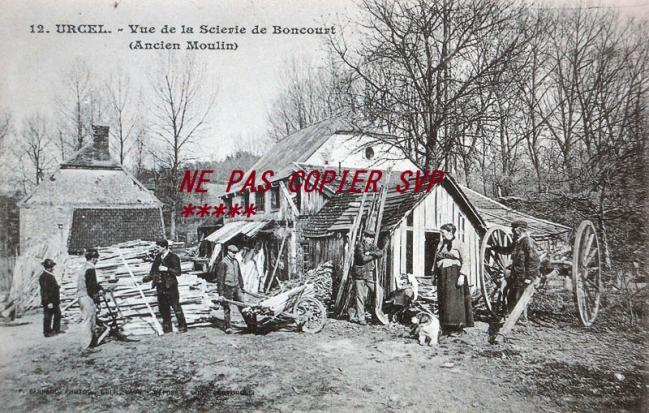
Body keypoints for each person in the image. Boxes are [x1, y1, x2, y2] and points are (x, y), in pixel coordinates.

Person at [492, 220, 541, 318]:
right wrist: (495, 248)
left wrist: (529, 277)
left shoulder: (528, 242)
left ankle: (517, 318)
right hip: (516, 274)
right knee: (512, 295)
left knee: (518, 297)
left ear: (520, 230)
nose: (513, 232)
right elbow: (508, 250)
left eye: (514, 231)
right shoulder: (518, 242)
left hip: (523, 275)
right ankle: (511, 317)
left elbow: (533, 261)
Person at [434, 223, 474, 334]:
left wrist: (462, 275)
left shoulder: (459, 244)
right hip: (442, 274)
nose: (441, 235)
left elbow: (466, 260)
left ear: (450, 232)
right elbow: (435, 259)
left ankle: (457, 327)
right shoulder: (441, 244)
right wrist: (434, 274)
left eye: (443, 232)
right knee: (444, 300)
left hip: (454, 274)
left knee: (454, 301)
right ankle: (446, 326)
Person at [143, 239, 187, 334]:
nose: (157, 249)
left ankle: (182, 326)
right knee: (163, 308)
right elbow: (153, 271)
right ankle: (167, 328)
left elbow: (178, 272)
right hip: (160, 287)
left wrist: (167, 269)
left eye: (158, 247)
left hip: (171, 287)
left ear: (164, 247)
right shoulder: (158, 258)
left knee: (176, 307)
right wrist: (147, 278)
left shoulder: (173, 257)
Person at [352, 229, 383, 325]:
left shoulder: (372, 246)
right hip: (360, 275)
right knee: (360, 296)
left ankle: (375, 314)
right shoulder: (359, 246)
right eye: (368, 237)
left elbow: (381, 253)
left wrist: (370, 253)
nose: (371, 239)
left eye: (372, 237)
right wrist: (374, 256)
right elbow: (362, 259)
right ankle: (361, 318)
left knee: (379, 291)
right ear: (364, 237)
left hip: (369, 275)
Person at [216, 244, 245, 333]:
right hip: (227, 287)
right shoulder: (223, 263)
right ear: (228, 252)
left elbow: (239, 275)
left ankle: (251, 325)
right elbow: (220, 280)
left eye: (235, 253)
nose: (234, 254)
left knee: (243, 306)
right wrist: (221, 294)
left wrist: (242, 286)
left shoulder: (236, 261)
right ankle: (228, 327)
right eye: (232, 252)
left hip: (236, 286)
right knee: (227, 308)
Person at [77, 248, 103, 351]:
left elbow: (88, 283)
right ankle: (86, 346)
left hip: (81, 296)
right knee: (88, 321)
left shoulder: (83, 268)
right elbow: (91, 287)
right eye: (97, 258)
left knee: (88, 320)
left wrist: (98, 286)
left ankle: (90, 343)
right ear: (93, 259)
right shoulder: (90, 269)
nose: (97, 260)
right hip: (87, 297)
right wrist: (97, 300)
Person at [39, 258, 61, 337]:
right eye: (51, 266)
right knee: (48, 316)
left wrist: (57, 287)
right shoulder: (44, 276)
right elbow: (44, 291)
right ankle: (47, 332)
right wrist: (48, 302)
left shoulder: (49, 275)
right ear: (48, 267)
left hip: (54, 300)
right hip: (49, 301)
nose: (53, 268)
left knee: (57, 314)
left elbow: (52, 287)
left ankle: (55, 329)